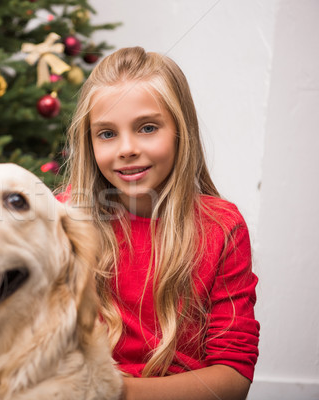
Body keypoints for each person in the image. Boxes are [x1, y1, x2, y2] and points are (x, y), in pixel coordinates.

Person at [61, 46, 260, 400]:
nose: (126, 148)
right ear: (88, 142)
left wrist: (113, 391)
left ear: (181, 130)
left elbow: (233, 379)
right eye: (106, 134)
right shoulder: (63, 217)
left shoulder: (221, 226)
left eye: (147, 128)